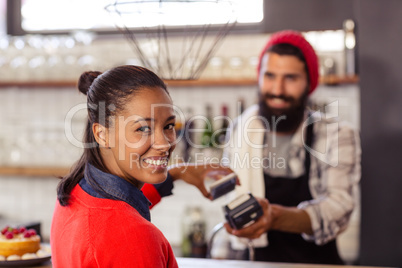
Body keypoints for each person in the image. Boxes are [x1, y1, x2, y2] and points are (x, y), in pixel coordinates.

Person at [50, 65, 231, 267]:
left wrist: (178, 173)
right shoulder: (135, 236)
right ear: (102, 134)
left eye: (168, 126)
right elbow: (124, 222)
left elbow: (121, 207)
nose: (164, 144)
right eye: (143, 128)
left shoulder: (74, 193)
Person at [221, 30, 361, 264]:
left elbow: (339, 208)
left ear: (309, 83)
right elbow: (229, 198)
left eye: (290, 78)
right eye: (270, 76)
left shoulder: (336, 134)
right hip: (255, 261)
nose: (277, 89)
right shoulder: (240, 130)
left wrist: (274, 217)